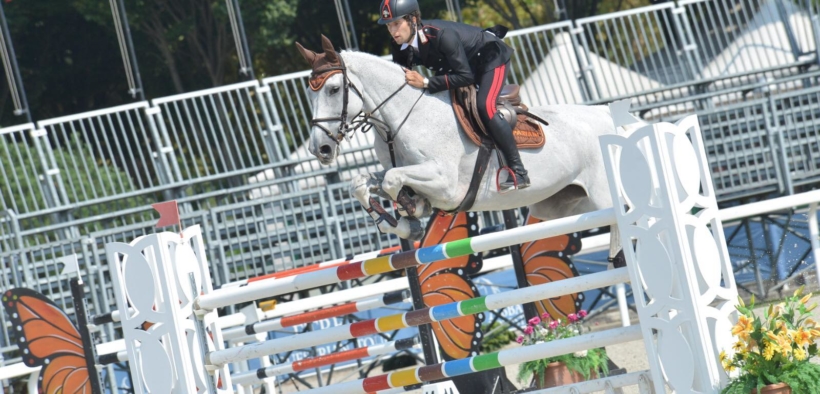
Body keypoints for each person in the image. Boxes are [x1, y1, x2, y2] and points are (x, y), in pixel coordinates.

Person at [377, 0, 530, 190]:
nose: (393, 31)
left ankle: (519, 171)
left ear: (413, 19)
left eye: (396, 23)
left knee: (485, 106)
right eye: (389, 26)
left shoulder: (441, 35)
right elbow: (403, 85)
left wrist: (426, 82)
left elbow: (465, 76)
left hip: (490, 59)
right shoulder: (398, 44)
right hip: (463, 68)